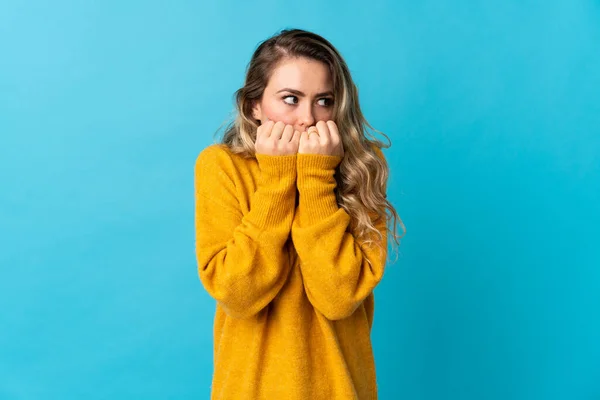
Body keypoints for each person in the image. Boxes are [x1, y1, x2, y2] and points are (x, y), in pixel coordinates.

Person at [194, 28, 405, 400]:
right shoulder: (222, 167)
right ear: (254, 106)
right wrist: (277, 182)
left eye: (324, 101)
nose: (308, 117)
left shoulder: (362, 169)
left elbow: (337, 298)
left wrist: (316, 178)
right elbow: (238, 295)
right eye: (290, 99)